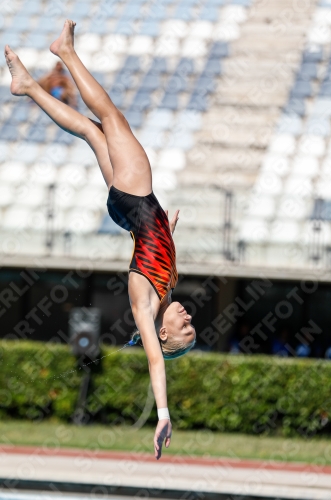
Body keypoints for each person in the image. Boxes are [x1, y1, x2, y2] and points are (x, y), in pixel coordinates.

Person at [4, 19, 196, 460]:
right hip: (135, 211)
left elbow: (154, 363)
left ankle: (65, 52)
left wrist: (163, 412)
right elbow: (157, 252)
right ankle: (29, 86)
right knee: (93, 129)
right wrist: (171, 228)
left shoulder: (146, 308)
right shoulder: (164, 291)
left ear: (163, 335)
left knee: (111, 118)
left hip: (136, 195)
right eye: (190, 323)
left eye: (183, 328)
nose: (187, 318)